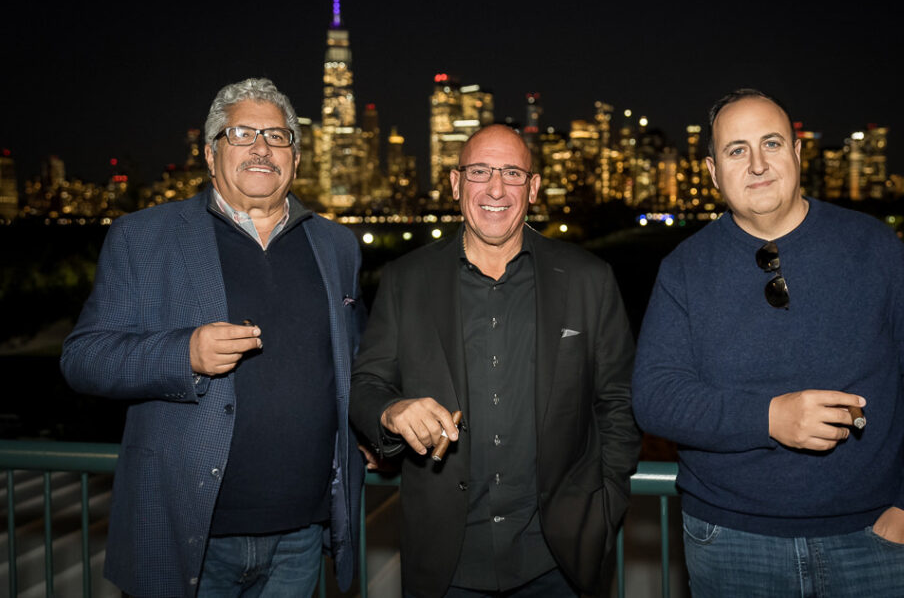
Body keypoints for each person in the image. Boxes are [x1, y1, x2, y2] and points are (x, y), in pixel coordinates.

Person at [632, 88, 904, 597]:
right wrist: (770, 419)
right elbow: (655, 399)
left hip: (874, 538)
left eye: (772, 143)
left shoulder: (871, 246)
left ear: (798, 154)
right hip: (730, 542)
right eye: (736, 150)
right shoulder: (684, 270)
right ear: (714, 171)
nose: (758, 163)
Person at [61, 78, 365, 597]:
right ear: (209, 153)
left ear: (295, 155)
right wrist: (184, 354)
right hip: (191, 536)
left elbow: (353, 366)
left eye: (278, 136)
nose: (262, 148)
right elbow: (83, 358)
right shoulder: (142, 236)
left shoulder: (336, 245)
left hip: (302, 535)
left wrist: (375, 431)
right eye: (242, 134)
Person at [350, 124, 640, 598]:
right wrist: (390, 411)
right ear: (455, 183)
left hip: (560, 561)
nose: (496, 188)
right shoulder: (406, 279)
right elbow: (366, 383)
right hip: (445, 564)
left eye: (512, 173)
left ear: (534, 187)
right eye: (480, 171)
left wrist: (605, 506)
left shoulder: (590, 279)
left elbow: (618, 402)